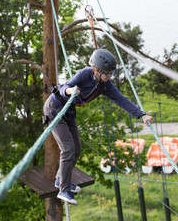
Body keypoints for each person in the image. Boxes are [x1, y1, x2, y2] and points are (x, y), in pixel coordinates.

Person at [43, 49, 153, 205]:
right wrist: (71, 91)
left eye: (111, 73)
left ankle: (60, 179)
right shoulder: (84, 73)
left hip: (69, 111)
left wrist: (141, 115)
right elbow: (64, 87)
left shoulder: (105, 85)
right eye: (108, 73)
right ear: (96, 70)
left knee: (77, 149)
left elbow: (121, 100)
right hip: (55, 108)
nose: (110, 76)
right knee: (68, 148)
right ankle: (64, 189)